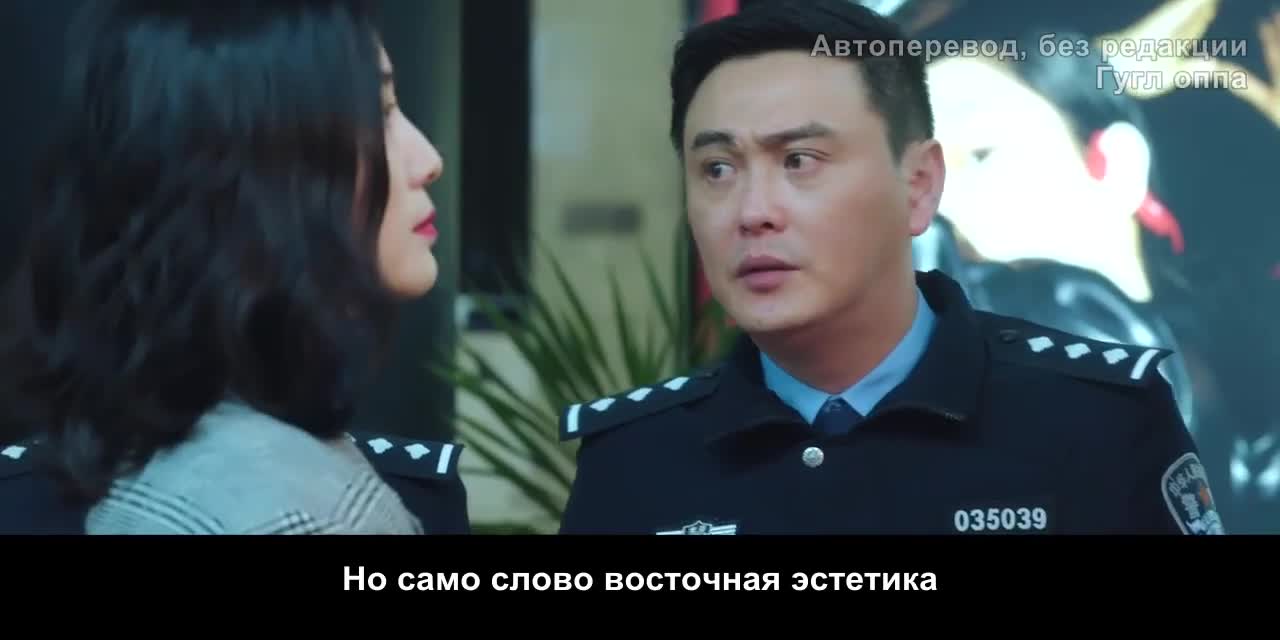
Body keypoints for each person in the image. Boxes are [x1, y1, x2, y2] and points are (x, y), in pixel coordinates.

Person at [557, 0, 1224, 535]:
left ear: (919, 185)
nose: (752, 212)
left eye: (799, 161)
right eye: (717, 169)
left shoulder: (1100, 422)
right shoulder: (633, 459)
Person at [0, 0, 465, 534]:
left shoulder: (195, 455)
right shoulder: (283, 516)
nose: (429, 160)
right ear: (256, 171)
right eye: (379, 112)